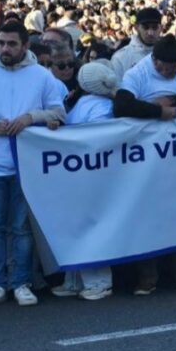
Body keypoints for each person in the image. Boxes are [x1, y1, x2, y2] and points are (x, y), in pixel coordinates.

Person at [0, 21, 67, 307]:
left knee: (21, 229)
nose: (5, 49)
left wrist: (30, 118)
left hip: (27, 166)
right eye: (1, 43)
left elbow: (58, 113)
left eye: (12, 44)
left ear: (25, 45)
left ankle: (21, 282)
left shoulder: (42, 76)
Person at [113, 35, 176, 295]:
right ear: (155, 61)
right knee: (148, 215)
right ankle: (147, 277)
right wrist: (156, 111)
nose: (172, 72)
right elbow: (122, 105)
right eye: (167, 68)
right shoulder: (138, 73)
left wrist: (174, 102)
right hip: (147, 159)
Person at [49, 61, 118, 301]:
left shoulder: (102, 106)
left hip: (92, 172)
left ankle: (99, 281)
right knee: (75, 226)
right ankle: (75, 278)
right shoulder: (82, 103)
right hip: (77, 172)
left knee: (90, 225)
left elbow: (98, 136)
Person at [111, 7, 162, 78]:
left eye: (154, 27)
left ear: (161, 28)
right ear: (136, 28)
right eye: (145, 27)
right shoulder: (121, 58)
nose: (150, 33)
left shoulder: (170, 55)